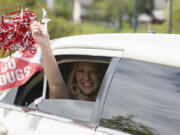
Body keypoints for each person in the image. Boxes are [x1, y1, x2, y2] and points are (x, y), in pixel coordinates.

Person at [30, 23, 107, 101]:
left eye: (94, 71)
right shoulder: (68, 101)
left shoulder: (111, 102)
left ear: (102, 75)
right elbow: (55, 85)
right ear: (74, 76)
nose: (87, 77)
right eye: (81, 71)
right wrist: (44, 44)